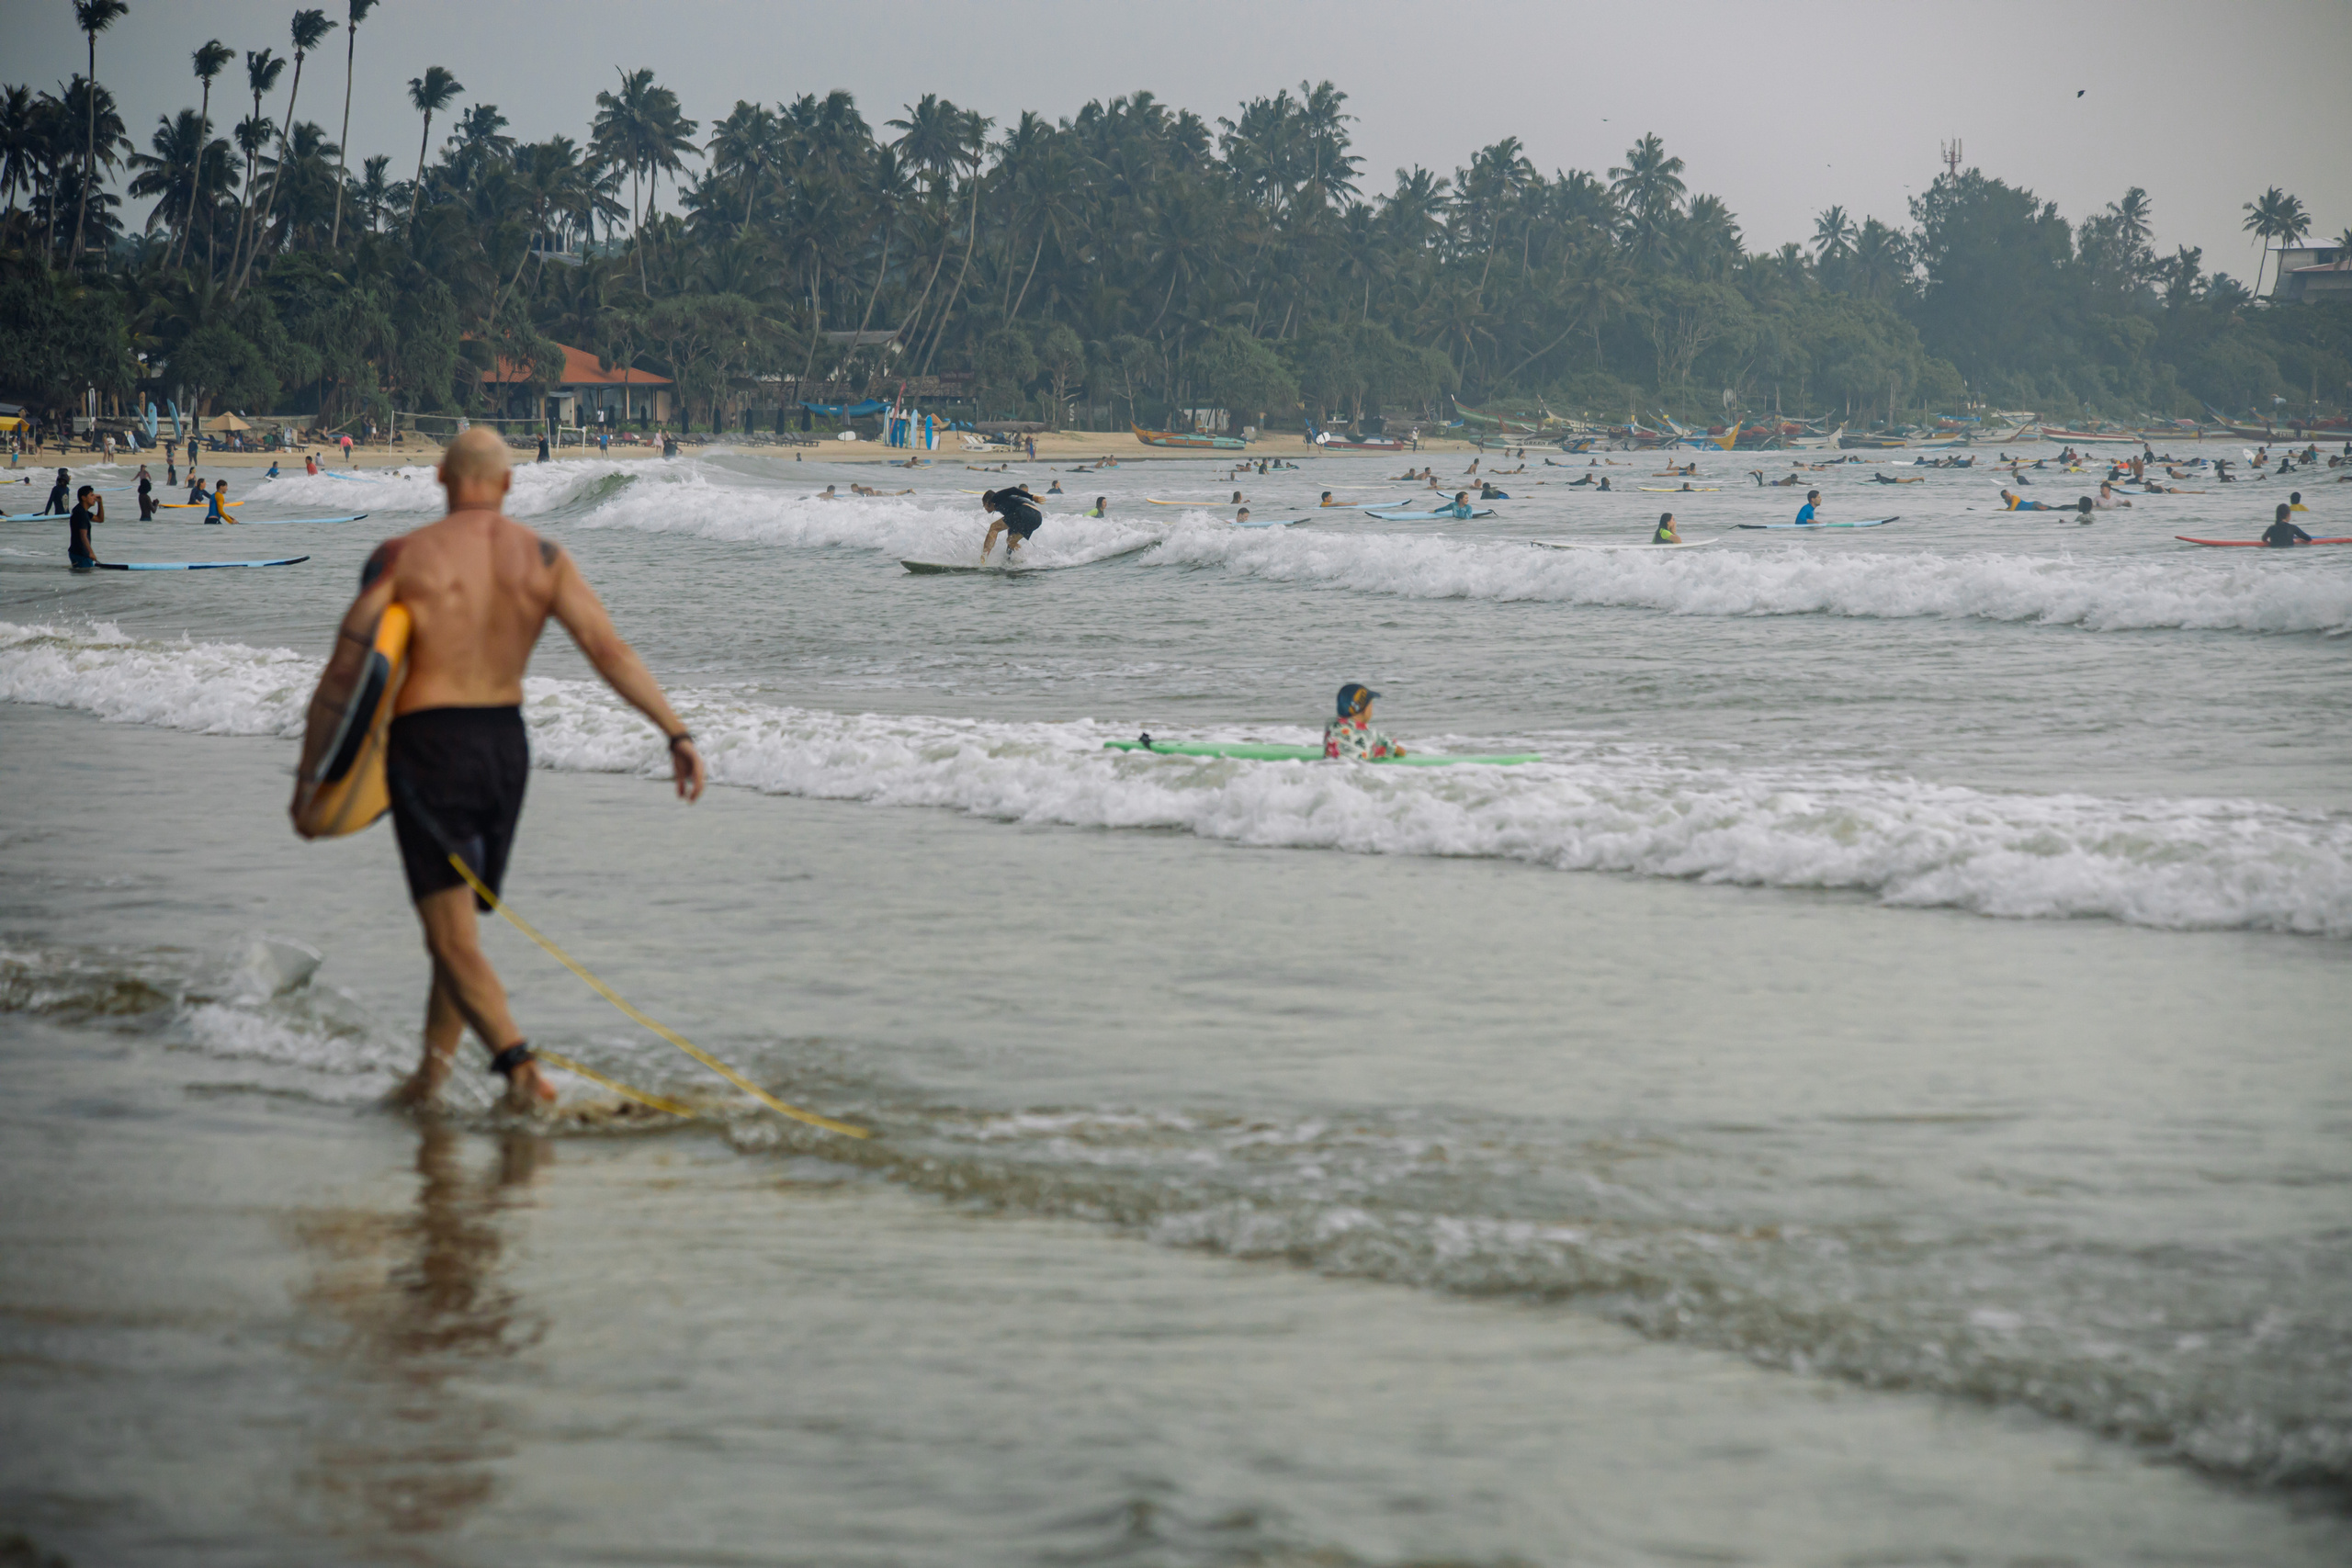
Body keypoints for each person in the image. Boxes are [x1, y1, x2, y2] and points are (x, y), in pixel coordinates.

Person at [289, 426, 707, 1111]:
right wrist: (676, 731)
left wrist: (313, 780)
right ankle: (431, 1079)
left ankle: (521, 1076)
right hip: (507, 750)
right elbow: (608, 647)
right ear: (509, 484)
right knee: (458, 931)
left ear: (439, 478)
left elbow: (345, 672)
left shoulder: (402, 556)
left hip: (430, 745)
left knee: (450, 935)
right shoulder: (543, 557)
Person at [1324, 683, 1405, 760]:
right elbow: (1400, 751)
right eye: (1371, 705)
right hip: (1358, 768)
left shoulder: (1330, 725)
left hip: (1332, 766)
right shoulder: (1370, 732)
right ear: (1364, 710)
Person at [979, 484, 1044, 560]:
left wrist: (1031, 497)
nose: (985, 508)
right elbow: (1011, 529)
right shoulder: (1008, 508)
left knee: (994, 527)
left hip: (1026, 511)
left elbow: (1013, 489)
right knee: (1011, 541)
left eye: (984, 505)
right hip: (1037, 518)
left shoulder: (996, 498)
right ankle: (1025, 560)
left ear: (987, 502)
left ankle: (983, 558)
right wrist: (1008, 558)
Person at [67, 484, 102, 569]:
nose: (94, 497)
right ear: (84, 498)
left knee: (85, 577)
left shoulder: (83, 511)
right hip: (80, 554)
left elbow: (100, 519)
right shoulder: (80, 513)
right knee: (86, 577)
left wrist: (100, 503)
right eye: (91, 495)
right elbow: (83, 535)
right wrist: (91, 553)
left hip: (79, 553)